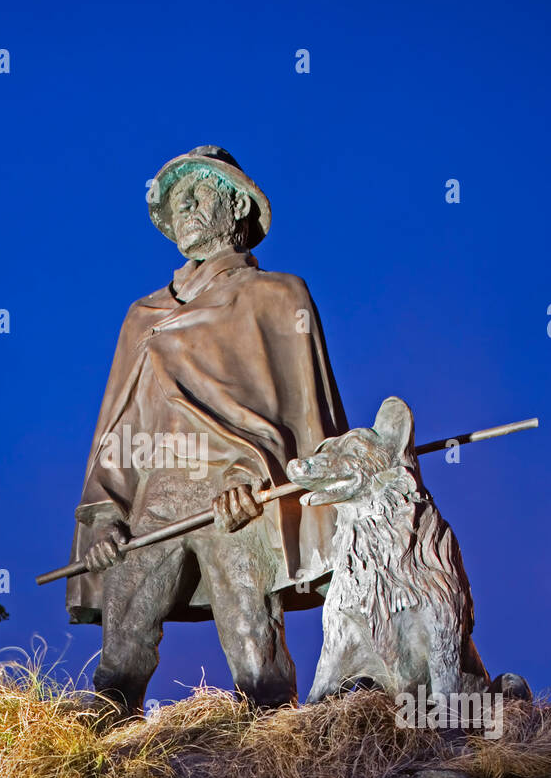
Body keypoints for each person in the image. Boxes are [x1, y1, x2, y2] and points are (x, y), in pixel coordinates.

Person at [65, 146, 347, 714]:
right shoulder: (142, 316)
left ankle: (284, 765)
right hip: (157, 496)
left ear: (236, 203)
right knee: (121, 649)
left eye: (199, 193)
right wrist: (104, 515)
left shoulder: (279, 296)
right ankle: (99, 769)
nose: (185, 207)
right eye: (175, 202)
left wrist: (257, 477)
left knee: (254, 646)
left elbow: (298, 411)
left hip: (236, 492)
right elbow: (121, 424)